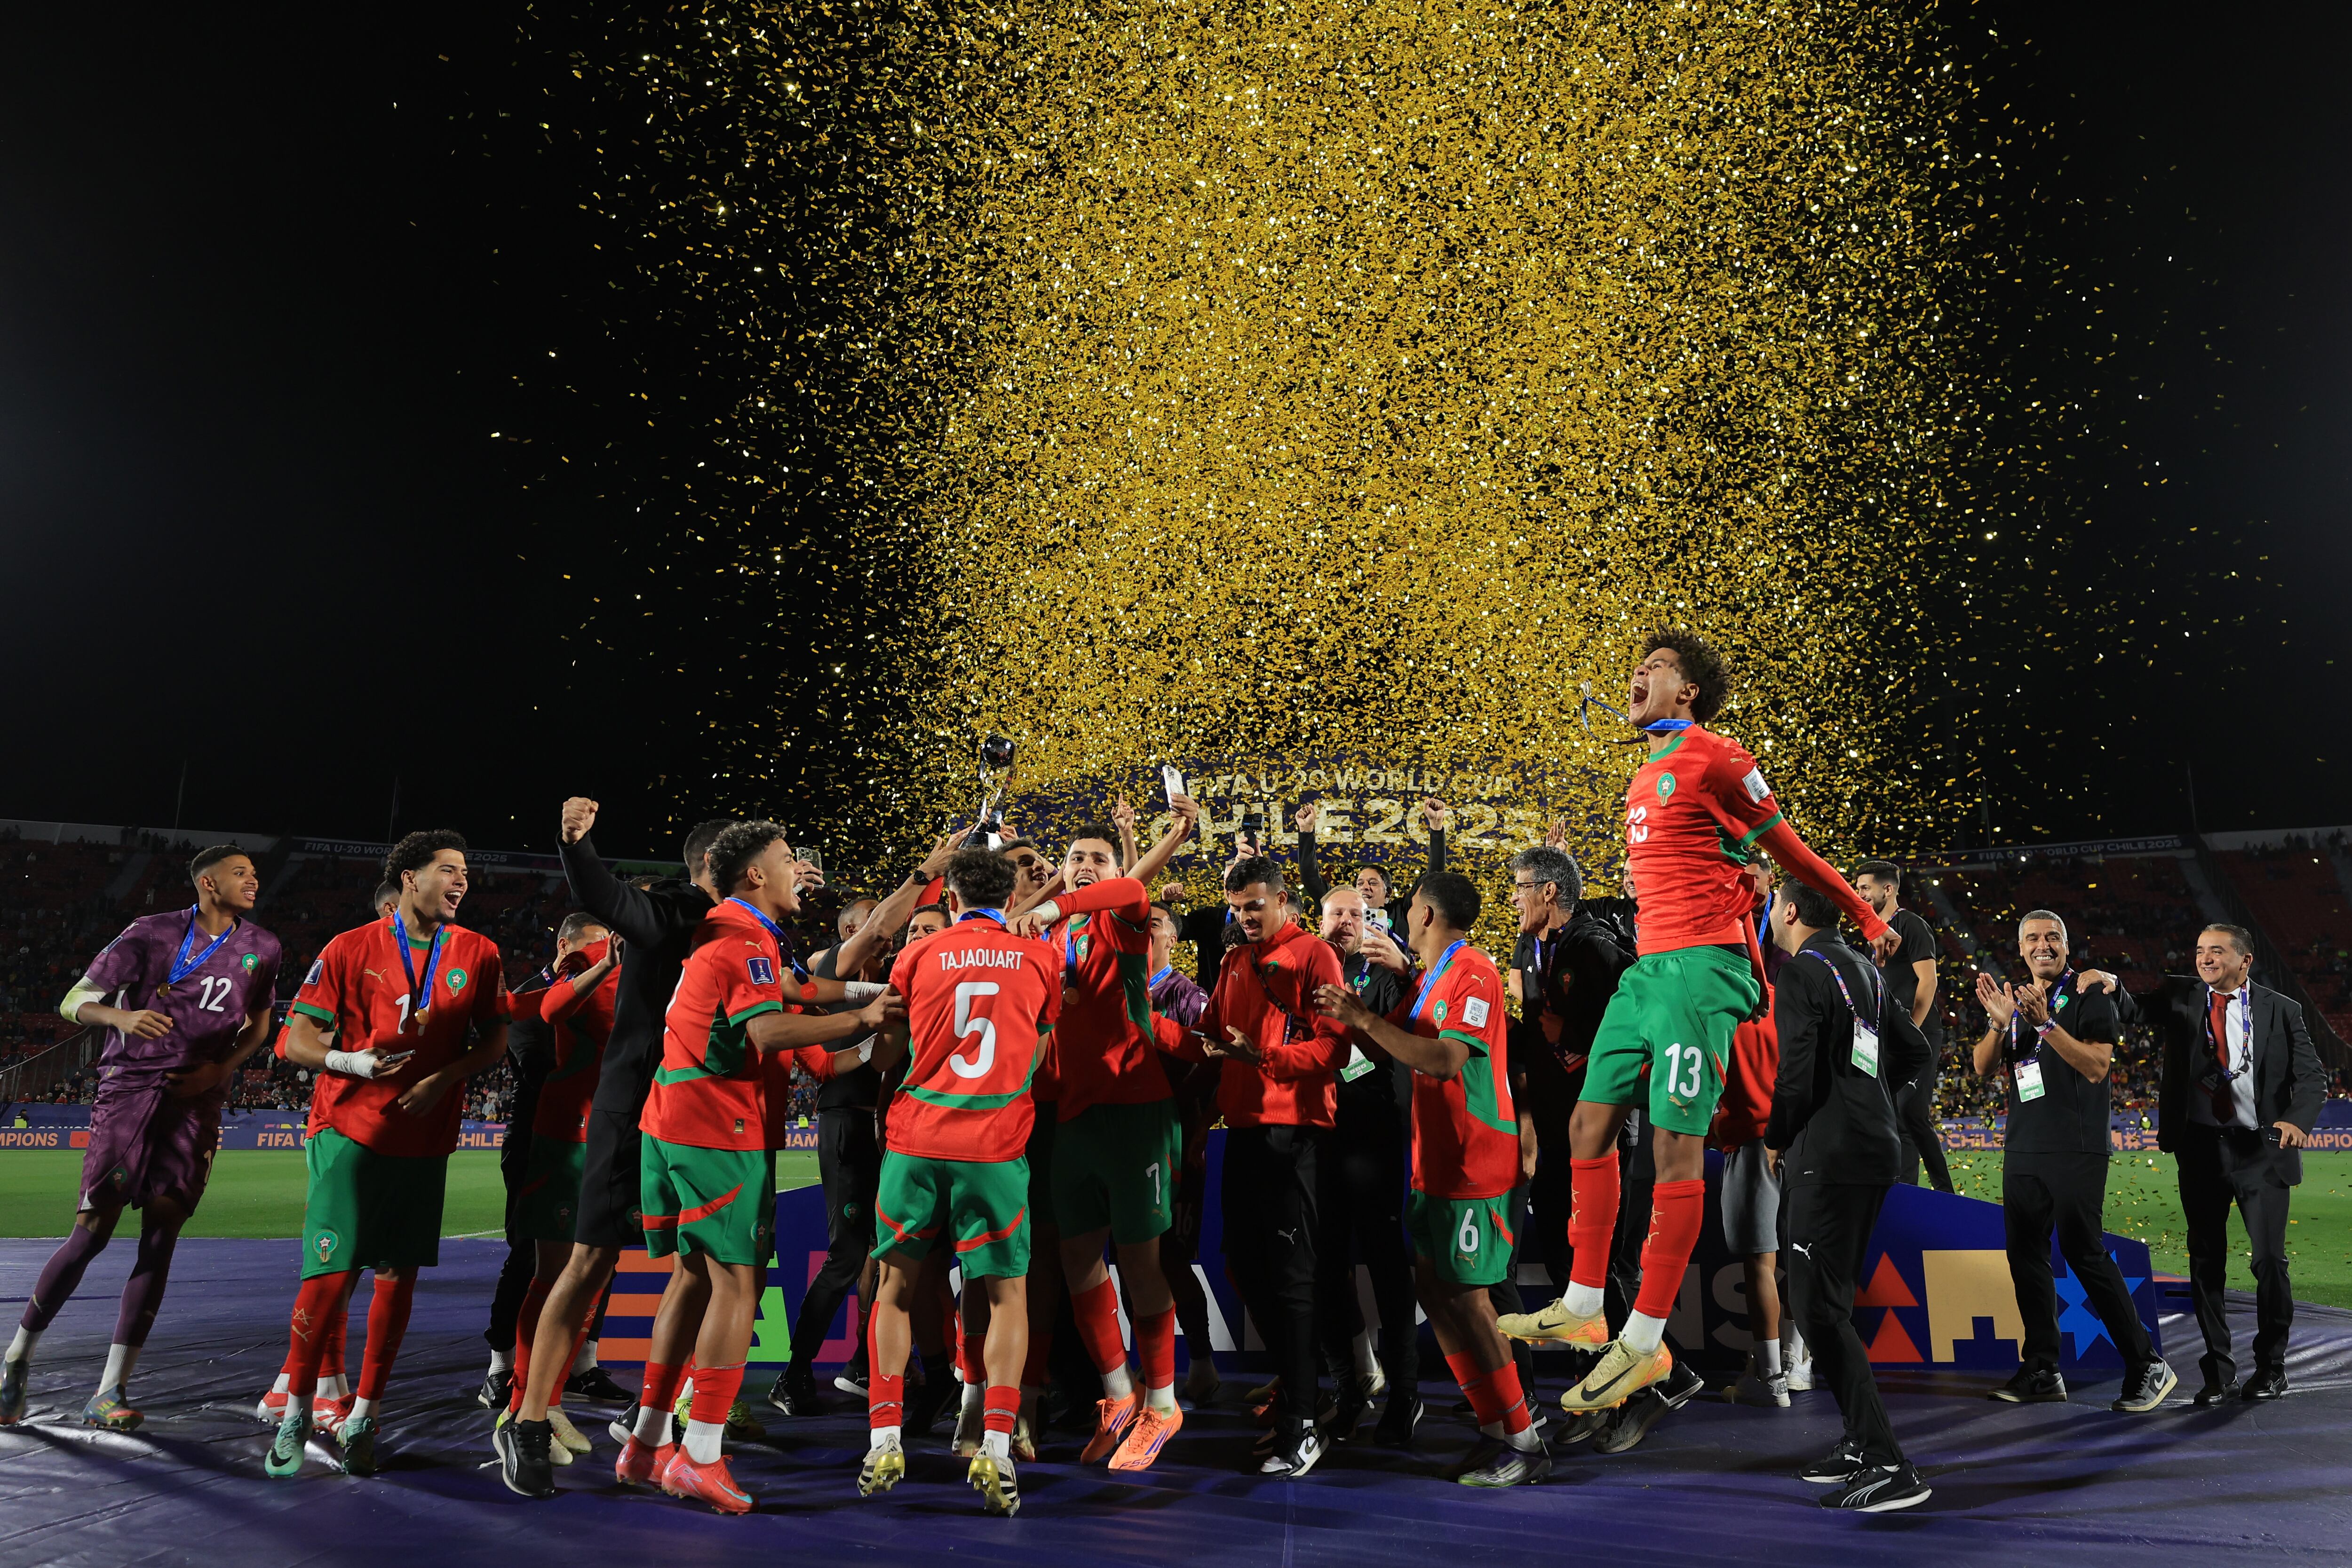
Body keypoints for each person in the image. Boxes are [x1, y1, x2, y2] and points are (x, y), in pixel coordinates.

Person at [1526, 631, 1896, 1416]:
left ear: (1688, 690)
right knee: (1588, 1122)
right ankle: (1588, 1299)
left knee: (1672, 1144)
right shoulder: (1645, 771)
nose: (1638, 672)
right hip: (1648, 970)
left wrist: (1863, 909)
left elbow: (1787, 847)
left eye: (1656, 667)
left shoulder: (1721, 756)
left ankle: (1646, 1338)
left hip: (1703, 970)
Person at [571, 821, 895, 1512]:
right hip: (718, 1130)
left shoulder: (730, 931)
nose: (800, 869)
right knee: (738, 1286)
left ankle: (647, 1442)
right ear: (753, 875)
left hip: (674, 1122)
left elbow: (802, 999)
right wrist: (866, 1018)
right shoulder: (745, 937)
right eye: (787, 860)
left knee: (691, 1279)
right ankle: (702, 1453)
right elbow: (770, 1028)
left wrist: (869, 1018)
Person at [2, 846, 282, 1430]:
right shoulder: (150, 933)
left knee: (162, 1235)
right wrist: (120, 1018)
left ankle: (110, 1389)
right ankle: (15, 1361)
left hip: (197, 1101)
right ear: (208, 883)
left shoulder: (264, 947)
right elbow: (73, 999)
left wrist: (218, 1070)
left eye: (255, 874)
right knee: (93, 1232)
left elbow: (259, 1024)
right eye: (240, 873)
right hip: (129, 1090)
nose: (253, 881)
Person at [262, 831, 512, 1477]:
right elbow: (296, 1039)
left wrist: (443, 1078)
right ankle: (295, 1408)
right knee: (329, 1277)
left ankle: (366, 1415)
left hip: (425, 1137)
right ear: (408, 877)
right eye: (448, 870)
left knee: (398, 1277)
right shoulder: (350, 946)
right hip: (348, 1129)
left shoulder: (479, 952)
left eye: (466, 871)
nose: (462, 882)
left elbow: (494, 1041)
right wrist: (351, 1062)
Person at [503, 805, 736, 1452]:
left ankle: (656, 1419)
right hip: (629, 1112)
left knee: (700, 1268)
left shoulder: (743, 926)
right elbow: (608, 898)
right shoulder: (672, 908)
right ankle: (528, 1412)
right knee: (583, 1264)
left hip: (692, 1116)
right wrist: (577, 845)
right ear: (723, 863)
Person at [1317, 871, 1546, 1488]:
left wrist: (1364, 1018)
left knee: (1472, 1301)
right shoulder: (1434, 979)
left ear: (1424, 912)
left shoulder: (1474, 970)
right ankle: (1495, 1424)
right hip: (1434, 1162)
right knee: (1437, 1289)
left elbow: (1446, 1059)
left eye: (1410, 907)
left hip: (1474, 1161)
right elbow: (1401, 1042)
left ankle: (1522, 1439)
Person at [858, 847, 1060, 1517]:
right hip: (995, 1146)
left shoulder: (919, 954)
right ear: (1009, 899)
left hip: (916, 1139)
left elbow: (899, 1038)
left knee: (894, 1289)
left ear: (949, 899)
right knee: (1006, 1297)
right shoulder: (1041, 956)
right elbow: (1038, 1044)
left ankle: (884, 1437)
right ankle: (996, 1445)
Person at [1005, 801, 1197, 1470]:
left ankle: (1165, 1403)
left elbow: (1136, 888)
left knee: (1143, 1264)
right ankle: (1119, 1393)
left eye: (1098, 859)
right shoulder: (1052, 943)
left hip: (1135, 1112)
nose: (1085, 867)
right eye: (1075, 859)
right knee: (1077, 1261)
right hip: (1076, 1117)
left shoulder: (1118, 922)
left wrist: (1062, 903)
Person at [1154, 854, 1350, 1477]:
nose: (1245, 916)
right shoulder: (1235, 959)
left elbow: (1333, 1048)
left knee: (1294, 1276)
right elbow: (1210, 1041)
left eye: (1256, 905)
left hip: (1294, 1134)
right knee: (1242, 1261)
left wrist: (1264, 1058)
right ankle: (1302, 1385)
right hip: (1240, 1132)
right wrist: (1143, 1022)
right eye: (1238, 907)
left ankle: (1304, 1423)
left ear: (1286, 902)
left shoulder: (1315, 954)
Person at [775, 831, 972, 1418]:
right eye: (882, 932)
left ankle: (877, 1367)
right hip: (851, 1126)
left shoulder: (917, 977)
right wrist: (926, 872)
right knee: (847, 1256)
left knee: (883, 1260)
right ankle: (795, 1374)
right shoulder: (831, 970)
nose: (891, 942)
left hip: (897, 1132)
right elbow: (850, 1056)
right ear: (848, 936)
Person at [1765, 879, 1933, 1511]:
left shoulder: (1803, 972)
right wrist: (1869, 1103)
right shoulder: (1862, 966)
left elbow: (1797, 1072)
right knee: (1827, 1303)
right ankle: (1863, 1444)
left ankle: (1891, 1461)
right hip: (1871, 1150)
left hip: (1826, 1157)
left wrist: (1777, 1136)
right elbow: (1913, 1049)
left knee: (1817, 1308)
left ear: (1787, 911)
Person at [1971, 909, 2175, 1411]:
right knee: (2025, 1258)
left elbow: (2096, 1066)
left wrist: (2045, 1026)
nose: (2043, 945)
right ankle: (2041, 1368)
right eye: (2032, 938)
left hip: (2075, 1146)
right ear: (2019, 949)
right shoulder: (2015, 1002)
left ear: (2066, 943)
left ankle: (2148, 1364)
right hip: (2022, 1148)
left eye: (2052, 937)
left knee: (2084, 1253)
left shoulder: (2089, 994)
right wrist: (2000, 1027)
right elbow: (1981, 1069)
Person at [2152, 923, 2323, 1402]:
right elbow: (2130, 1008)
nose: (2204, 958)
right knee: (2205, 1261)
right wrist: (2103, 978)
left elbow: (2311, 1077)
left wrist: (2297, 1120)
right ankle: (2217, 1373)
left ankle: (2271, 1367)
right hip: (2201, 1150)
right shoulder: (2181, 996)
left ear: (2244, 960)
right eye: (2199, 949)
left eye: (2216, 951)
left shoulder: (2281, 1009)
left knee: (2268, 1260)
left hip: (2261, 1152)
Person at [495, 915, 619, 1465]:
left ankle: (547, 1396)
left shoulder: (651, 966)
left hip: (614, 1134)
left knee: (592, 1274)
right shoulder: (586, 962)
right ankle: (522, 1404)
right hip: (567, 1133)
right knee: (552, 1272)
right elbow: (540, 1012)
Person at [1308, 884, 1422, 1445]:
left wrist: (1406, 968)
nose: (1348, 921)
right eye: (1337, 913)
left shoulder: (1384, 974)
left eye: (1357, 913)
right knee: (1325, 1264)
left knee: (1383, 1264)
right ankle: (1349, 1383)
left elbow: (1393, 1042)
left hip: (1373, 1133)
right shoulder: (1308, 967)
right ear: (1319, 919)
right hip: (1319, 1135)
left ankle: (1405, 1393)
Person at [1145, 901, 1222, 1407]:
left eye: (1153, 925)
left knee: (1168, 1258)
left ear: (1173, 938)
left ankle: (1200, 1364)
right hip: (1117, 1141)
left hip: (1169, 1144)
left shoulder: (1185, 994)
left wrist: (1189, 1118)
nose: (1143, 933)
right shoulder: (1107, 988)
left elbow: (1215, 1056)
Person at [1852, 861, 1954, 1193]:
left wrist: (1910, 1033)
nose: (1859, 894)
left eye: (1865, 888)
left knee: (1907, 1110)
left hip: (1919, 1033)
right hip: (1886, 1035)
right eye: (1857, 888)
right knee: (1904, 1114)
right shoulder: (1872, 934)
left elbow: (1928, 981)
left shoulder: (1911, 925)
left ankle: (1906, 1192)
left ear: (1888, 889)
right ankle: (1941, 1190)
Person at [1294, 796, 1450, 935]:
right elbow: (1310, 878)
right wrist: (1306, 831)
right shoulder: (1341, 908)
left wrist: (1436, 827)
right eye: (1360, 883)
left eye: (1373, 883)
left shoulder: (1401, 912)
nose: (1364, 887)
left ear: (1388, 893)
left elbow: (1433, 877)